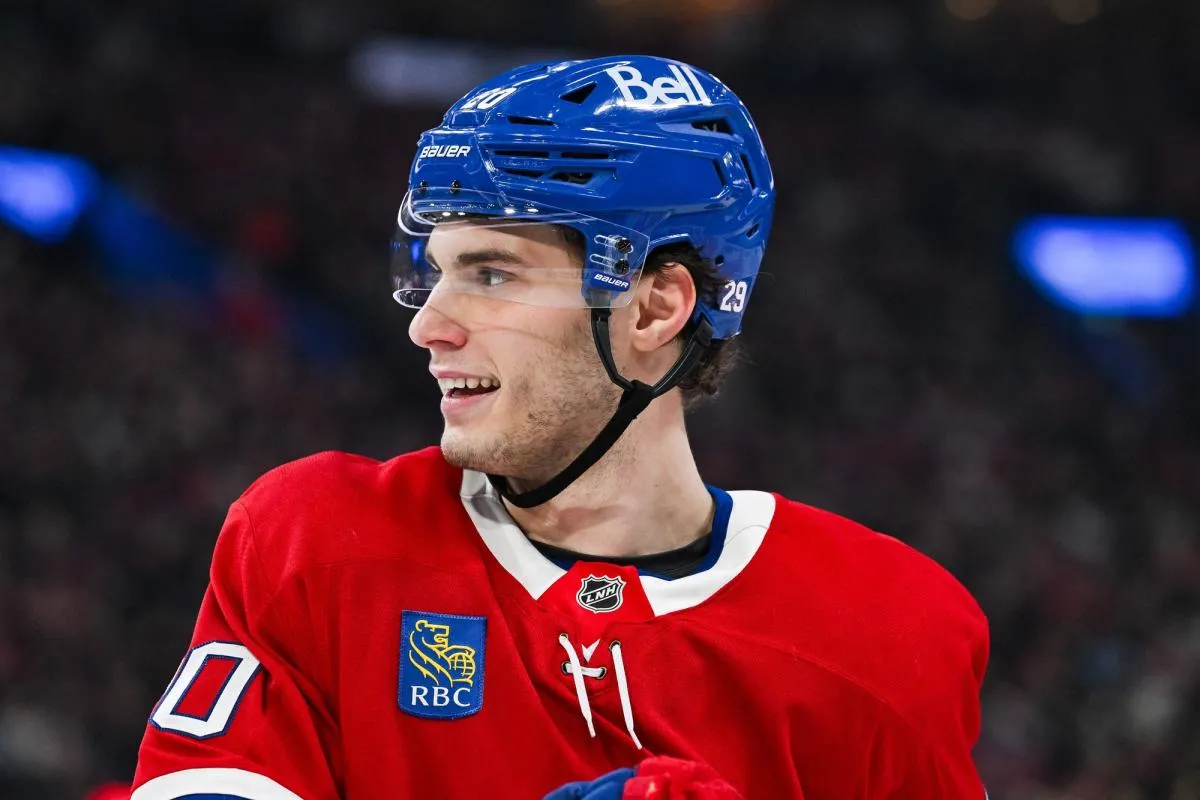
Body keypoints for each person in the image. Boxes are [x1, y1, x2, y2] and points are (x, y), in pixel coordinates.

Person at [131, 55, 989, 799]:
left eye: (492, 273)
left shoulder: (890, 634)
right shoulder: (313, 544)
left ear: (656, 307)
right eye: (436, 272)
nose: (428, 324)